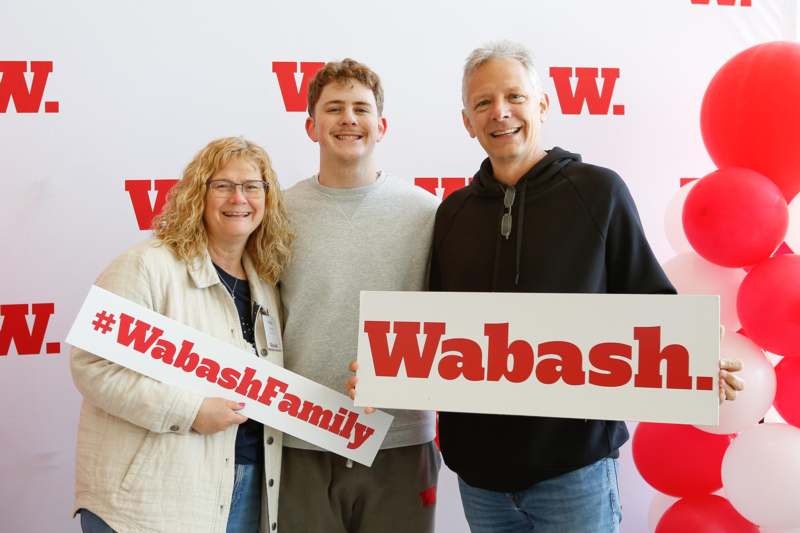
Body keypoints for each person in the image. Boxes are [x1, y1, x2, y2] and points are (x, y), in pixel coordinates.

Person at [427, 41, 745, 533]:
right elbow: (431, 329)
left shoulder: (599, 191)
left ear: (544, 105)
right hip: (479, 479)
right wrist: (385, 360)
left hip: (573, 471)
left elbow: (649, 301)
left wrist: (694, 359)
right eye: (483, 102)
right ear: (467, 120)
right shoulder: (452, 214)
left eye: (514, 96)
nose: (500, 112)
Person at [70, 137, 292, 533]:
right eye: (222, 185)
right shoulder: (146, 267)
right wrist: (188, 411)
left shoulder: (267, 285)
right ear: (198, 194)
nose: (238, 198)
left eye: (251, 186)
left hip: (246, 485)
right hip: (150, 501)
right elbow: (93, 366)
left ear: (267, 198)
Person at [278, 58, 441, 533]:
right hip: (301, 437)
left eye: (360, 108)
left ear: (381, 125)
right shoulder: (278, 213)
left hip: (401, 441)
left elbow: (451, 322)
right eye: (334, 109)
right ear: (311, 126)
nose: (348, 119)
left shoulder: (427, 212)